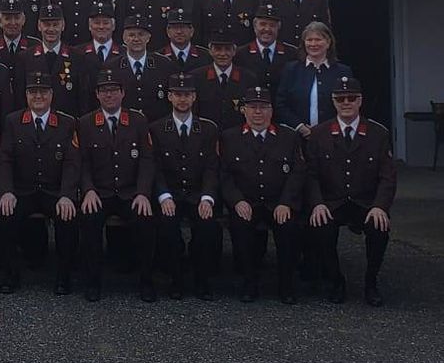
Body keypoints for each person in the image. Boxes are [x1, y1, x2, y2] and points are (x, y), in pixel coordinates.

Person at [306, 77, 397, 306]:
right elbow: (311, 175)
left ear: (360, 101)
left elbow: (387, 177)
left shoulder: (378, 133)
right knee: (319, 226)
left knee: (379, 226)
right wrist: (317, 203)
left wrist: (379, 206)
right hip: (333, 202)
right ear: (333, 102)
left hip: (364, 202)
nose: (346, 102)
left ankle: (371, 282)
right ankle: (336, 281)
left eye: (351, 98)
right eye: (340, 99)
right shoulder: (319, 133)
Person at [0, 72, 80, 295]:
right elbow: (4, 159)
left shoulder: (66, 122)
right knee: (5, 215)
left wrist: (67, 195)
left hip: (53, 191)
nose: (38, 96)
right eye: (33, 92)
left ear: (52, 95)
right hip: (23, 190)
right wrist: (6, 191)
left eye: (43, 92)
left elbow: (72, 163)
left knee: (68, 216)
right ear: (26, 95)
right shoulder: (14, 121)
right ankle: (10, 275)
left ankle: (63, 276)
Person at [220, 86, 306, 304]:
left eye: (263, 107)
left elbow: (297, 173)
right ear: (244, 110)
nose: (258, 112)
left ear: (271, 110)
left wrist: (286, 202)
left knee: (289, 229)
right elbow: (224, 174)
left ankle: (286, 285)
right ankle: (250, 283)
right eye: (252, 107)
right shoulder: (230, 137)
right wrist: (237, 200)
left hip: (277, 203)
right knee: (240, 228)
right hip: (246, 201)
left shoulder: (288, 137)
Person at [77, 70, 155, 302]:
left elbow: (147, 159)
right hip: (100, 192)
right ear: (97, 95)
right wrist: (88, 189)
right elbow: (81, 162)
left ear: (123, 93)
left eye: (113, 91)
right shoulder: (86, 122)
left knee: (146, 222)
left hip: (130, 193)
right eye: (104, 91)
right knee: (89, 222)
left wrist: (143, 193)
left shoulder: (138, 121)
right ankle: (93, 281)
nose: (109, 95)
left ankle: (146, 281)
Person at [148, 73, 220, 300]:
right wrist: (163, 196)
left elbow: (211, 168)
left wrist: (207, 197)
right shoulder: (157, 129)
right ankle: (176, 279)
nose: (182, 99)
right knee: (167, 228)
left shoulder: (208, 129)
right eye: (178, 95)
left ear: (194, 97)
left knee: (208, 229)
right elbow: (155, 168)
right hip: (171, 193)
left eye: (187, 95)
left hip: (198, 194)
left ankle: (202, 280)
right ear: (169, 97)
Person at [275, 21, 352, 137]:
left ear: (328, 42)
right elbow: (281, 105)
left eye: (318, 39)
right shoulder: (291, 69)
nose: (313, 44)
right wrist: (300, 127)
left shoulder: (342, 71)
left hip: (332, 137)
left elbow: (348, 105)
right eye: (309, 40)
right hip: (297, 136)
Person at [14, 4, 82, 118]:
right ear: (39, 26)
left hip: (66, 124)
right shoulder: (25, 58)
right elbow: (20, 97)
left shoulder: (77, 57)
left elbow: (81, 97)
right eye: (46, 24)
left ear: (63, 25)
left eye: (55, 25)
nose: (51, 29)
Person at [106, 14, 174, 122]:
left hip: (157, 125)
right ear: (124, 38)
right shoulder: (112, 66)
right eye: (131, 35)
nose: (136, 39)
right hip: (126, 126)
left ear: (148, 37)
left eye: (141, 35)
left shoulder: (164, 64)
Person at [191, 30, 257, 131]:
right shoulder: (197, 77)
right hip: (206, 135)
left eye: (227, 49)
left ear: (234, 51)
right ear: (210, 51)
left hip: (237, 136)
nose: (223, 54)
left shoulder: (248, 78)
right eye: (218, 49)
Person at [233, 4, 294, 102]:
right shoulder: (240, 54)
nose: (267, 29)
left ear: (279, 27)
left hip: (282, 112)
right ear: (254, 25)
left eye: (272, 25)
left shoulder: (291, 54)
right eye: (263, 24)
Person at [76, 1, 122, 113]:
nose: (101, 27)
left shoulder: (123, 53)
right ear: (90, 26)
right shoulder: (77, 53)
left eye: (106, 23)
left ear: (113, 25)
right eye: (97, 23)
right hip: (86, 115)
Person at [0, 0, 41, 86]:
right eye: (7, 18)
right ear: (0, 21)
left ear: (23, 20)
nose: (12, 23)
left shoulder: (35, 46)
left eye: (17, 18)